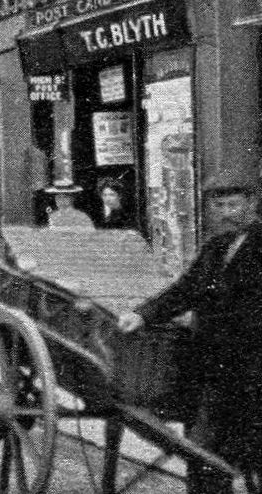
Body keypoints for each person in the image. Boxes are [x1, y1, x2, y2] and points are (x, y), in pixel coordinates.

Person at [117, 170, 262, 493]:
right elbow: (184, 290)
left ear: (252, 204)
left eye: (233, 205)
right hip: (214, 368)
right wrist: (142, 315)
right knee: (205, 451)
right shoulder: (216, 247)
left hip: (251, 369)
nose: (226, 213)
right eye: (219, 206)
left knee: (240, 450)